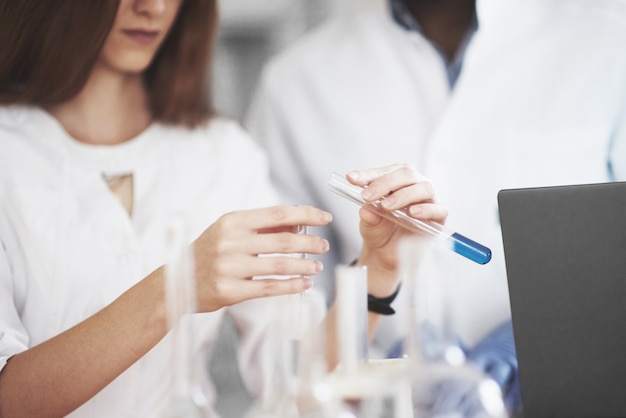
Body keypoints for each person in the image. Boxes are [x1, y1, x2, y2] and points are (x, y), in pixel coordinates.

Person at [0, 1, 448, 417]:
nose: (152, 7)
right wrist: (176, 287)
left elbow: (304, 385)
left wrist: (380, 267)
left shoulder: (222, 154)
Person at [247, 0, 626, 414]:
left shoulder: (609, 40)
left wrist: (514, 353)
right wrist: (381, 367)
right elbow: (284, 355)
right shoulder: (297, 81)